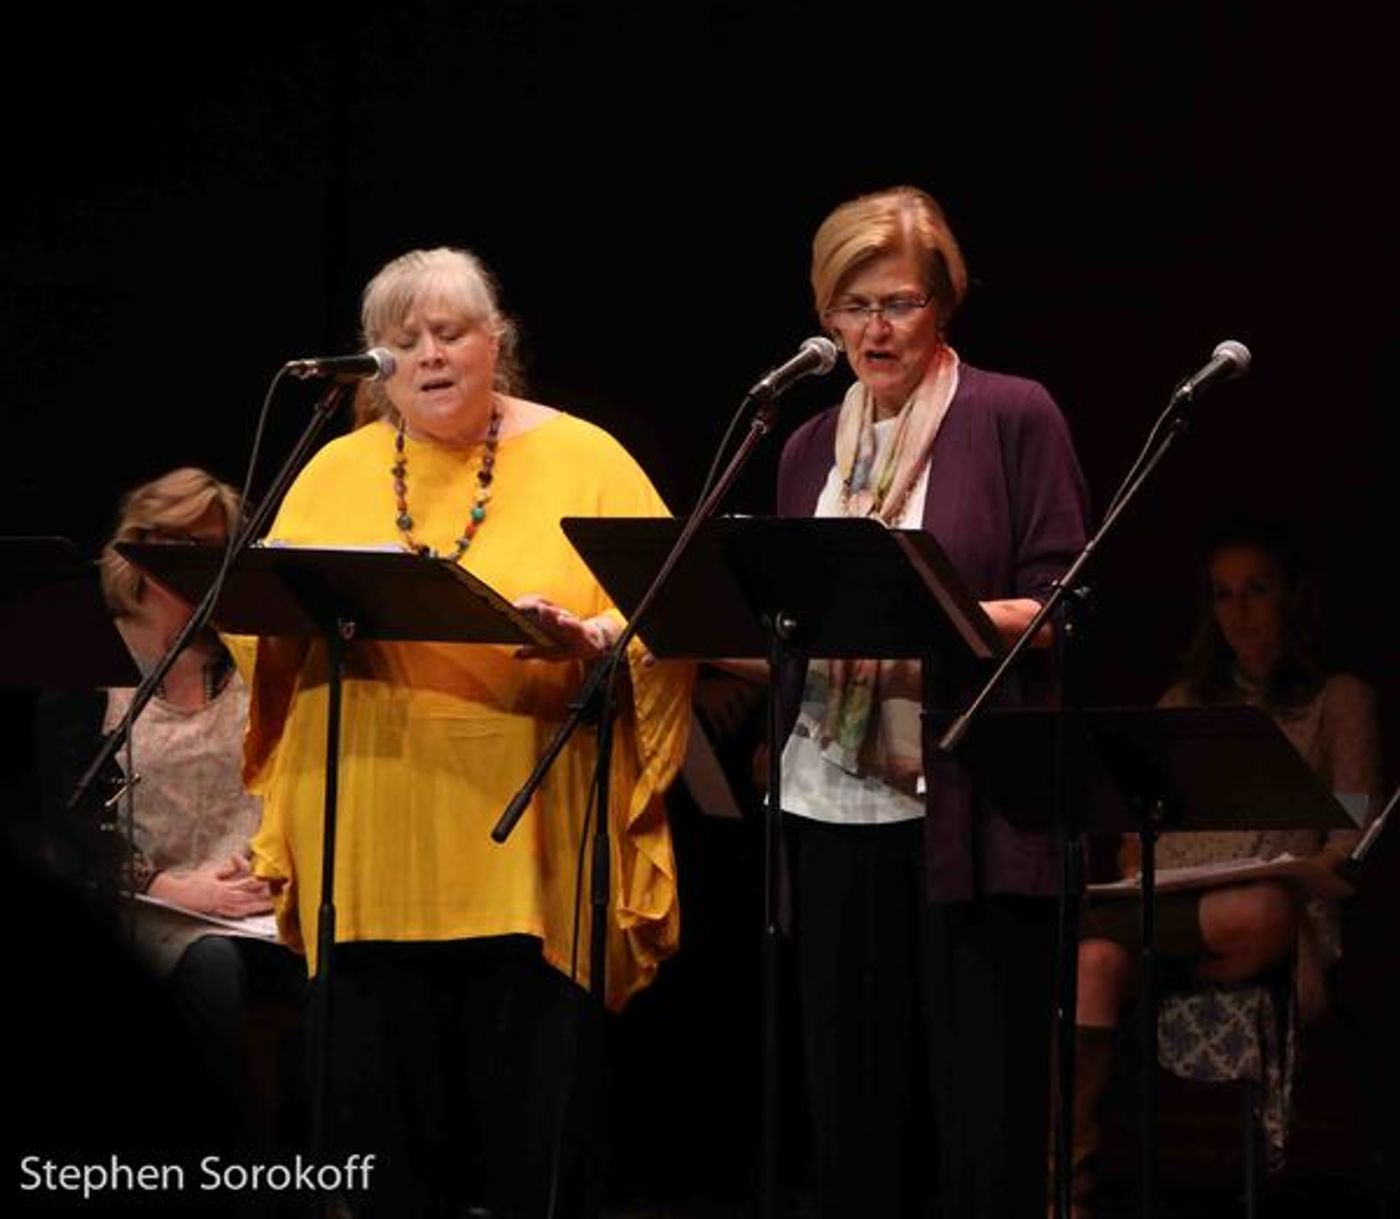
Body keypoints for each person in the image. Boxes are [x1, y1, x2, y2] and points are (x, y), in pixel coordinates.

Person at [243, 246, 692, 1218]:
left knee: (534, 1133)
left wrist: (598, 636)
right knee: (380, 1140)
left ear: (498, 342)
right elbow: (259, 630)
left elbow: (674, 609)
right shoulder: (331, 467)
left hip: (522, 848)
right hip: (368, 843)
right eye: (402, 342)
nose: (430, 356)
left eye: (450, 332)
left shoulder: (586, 455)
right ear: (374, 363)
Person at [774, 186, 1090, 1218]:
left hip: (968, 799)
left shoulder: (1009, 412)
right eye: (851, 305)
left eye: (898, 303)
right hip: (831, 793)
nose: (873, 328)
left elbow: (1059, 602)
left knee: (980, 1107)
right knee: (848, 1106)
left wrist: (931, 608)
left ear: (942, 303)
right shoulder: (804, 444)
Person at [1069, 516, 1384, 1215]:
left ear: (1292, 598)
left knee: (1263, 908)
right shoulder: (1184, 701)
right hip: (1164, 913)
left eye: (1256, 591)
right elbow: (1132, 838)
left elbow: (1350, 842)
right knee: (1091, 961)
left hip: (1264, 918)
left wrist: (1303, 872)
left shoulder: (1340, 701)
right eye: (1222, 595)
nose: (1238, 612)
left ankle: (1161, 955)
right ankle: (1068, 1186)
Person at [35, 466, 304, 1143]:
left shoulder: (246, 653)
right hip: (146, 899)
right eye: (182, 546)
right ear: (140, 549)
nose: (200, 567)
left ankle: (335, 1172)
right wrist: (167, 885)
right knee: (211, 968)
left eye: (214, 549)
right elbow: (64, 808)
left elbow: (293, 769)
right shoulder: (84, 652)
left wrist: (274, 855)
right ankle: (223, 1161)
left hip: (256, 895)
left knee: (350, 959)